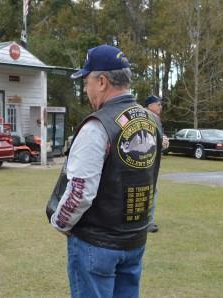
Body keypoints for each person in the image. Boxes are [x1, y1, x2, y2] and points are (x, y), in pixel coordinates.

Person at [49, 45, 162, 298]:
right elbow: (152, 180)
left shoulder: (97, 126)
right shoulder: (152, 122)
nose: (85, 89)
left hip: (96, 244)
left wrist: (60, 222)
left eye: (86, 81)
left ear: (101, 81)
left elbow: (80, 191)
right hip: (134, 240)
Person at [144, 95, 169, 233]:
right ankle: (148, 222)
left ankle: (146, 221)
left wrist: (162, 142)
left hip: (150, 159)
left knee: (151, 190)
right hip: (148, 161)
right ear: (150, 105)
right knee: (150, 190)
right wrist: (161, 142)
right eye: (158, 104)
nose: (160, 106)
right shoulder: (149, 117)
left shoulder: (153, 117)